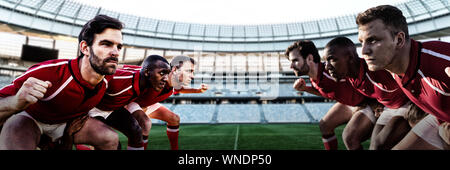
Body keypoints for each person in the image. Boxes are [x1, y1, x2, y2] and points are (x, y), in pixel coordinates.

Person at [0, 15, 123, 150]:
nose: (115, 52)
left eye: (119, 47)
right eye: (106, 44)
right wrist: (15, 101)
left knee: (110, 138)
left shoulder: (109, 77)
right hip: (31, 120)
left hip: (67, 124)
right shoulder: (49, 72)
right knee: (15, 132)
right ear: (85, 48)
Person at [356, 5, 450, 149]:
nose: (364, 51)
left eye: (373, 40)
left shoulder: (442, 62)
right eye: (361, 42)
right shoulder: (394, 67)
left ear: (399, 40)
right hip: (442, 120)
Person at [285, 40, 379, 150]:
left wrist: (374, 102)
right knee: (325, 125)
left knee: (350, 138)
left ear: (310, 58)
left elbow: (364, 77)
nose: (291, 66)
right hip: (352, 103)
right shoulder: (315, 77)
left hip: (367, 102)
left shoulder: (334, 70)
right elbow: (329, 92)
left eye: (295, 60)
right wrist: (306, 89)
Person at [323, 36, 412, 150]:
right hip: (389, 107)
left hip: (407, 104)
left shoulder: (376, 68)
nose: (327, 66)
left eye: (332, 59)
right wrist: (374, 103)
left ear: (350, 58)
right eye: (325, 61)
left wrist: (417, 104)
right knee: (370, 145)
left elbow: (407, 75)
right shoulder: (352, 77)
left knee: (379, 145)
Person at [75, 55, 171, 150]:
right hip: (92, 108)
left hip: (112, 108)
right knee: (113, 144)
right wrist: (78, 112)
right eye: (162, 73)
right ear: (146, 72)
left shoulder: (145, 82)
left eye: (167, 74)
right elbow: (86, 84)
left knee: (136, 132)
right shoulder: (117, 81)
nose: (166, 78)